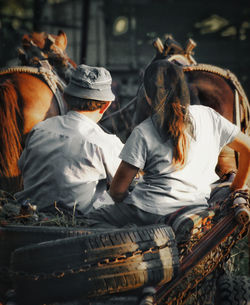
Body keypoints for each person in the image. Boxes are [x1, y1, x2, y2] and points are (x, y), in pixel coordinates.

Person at [85, 60, 250, 228]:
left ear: (148, 98)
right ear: (184, 89)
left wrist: (116, 201)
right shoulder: (210, 116)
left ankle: (136, 245)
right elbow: (248, 149)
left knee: (92, 219)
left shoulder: (143, 131)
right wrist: (236, 186)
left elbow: (117, 191)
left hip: (150, 210)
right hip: (196, 206)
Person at [15, 64, 124, 214]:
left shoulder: (39, 130)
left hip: (30, 217)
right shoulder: (106, 143)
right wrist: (99, 206)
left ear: (65, 98)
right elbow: (127, 186)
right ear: (105, 105)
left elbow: (21, 167)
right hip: (80, 225)